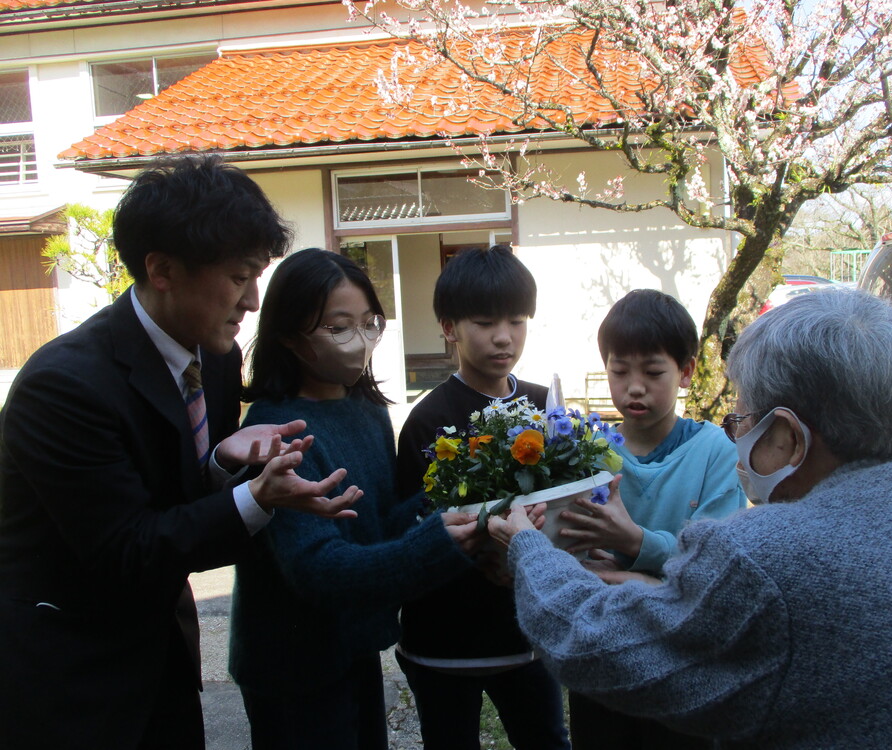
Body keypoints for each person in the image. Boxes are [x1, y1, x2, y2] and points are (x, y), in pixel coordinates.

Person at [489, 287, 892, 748]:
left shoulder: (772, 555)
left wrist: (528, 549)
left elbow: (597, 647)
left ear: (790, 438)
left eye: (742, 421)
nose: (735, 438)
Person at [0, 156, 360, 750]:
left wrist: (221, 465)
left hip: (162, 656)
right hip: (70, 674)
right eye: (240, 276)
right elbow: (127, 548)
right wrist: (253, 498)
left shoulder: (214, 356)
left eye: (259, 274)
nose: (252, 302)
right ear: (162, 270)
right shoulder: (63, 386)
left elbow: (176, 500)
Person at [229, 248, 479, 749]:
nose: (359, 341)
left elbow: (377, 521)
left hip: (354, 646)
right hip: (291, 664)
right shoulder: (276, 430)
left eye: (370, 323)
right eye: (338, 328)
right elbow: (318, 567)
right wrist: (437, 543)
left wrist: (459, 492)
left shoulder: (365, 408)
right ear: (288, 336)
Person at [394, 245, 571, 750]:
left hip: (528, 636)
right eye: (484, 321)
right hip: (445, 641)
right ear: (449, 327)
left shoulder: (544, 404)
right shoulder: (431, 420)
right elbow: (419, 527)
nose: (504, 336)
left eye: (517, 320)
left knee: (545, 739)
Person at [557, 289, 745, 750]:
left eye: (653, 371)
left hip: (680, 656)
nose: (634, 386)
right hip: (602, 650)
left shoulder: (715, 452)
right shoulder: (587, 450)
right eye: (619, 371)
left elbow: (716, 566)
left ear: (686, 372)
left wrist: (634, 543)